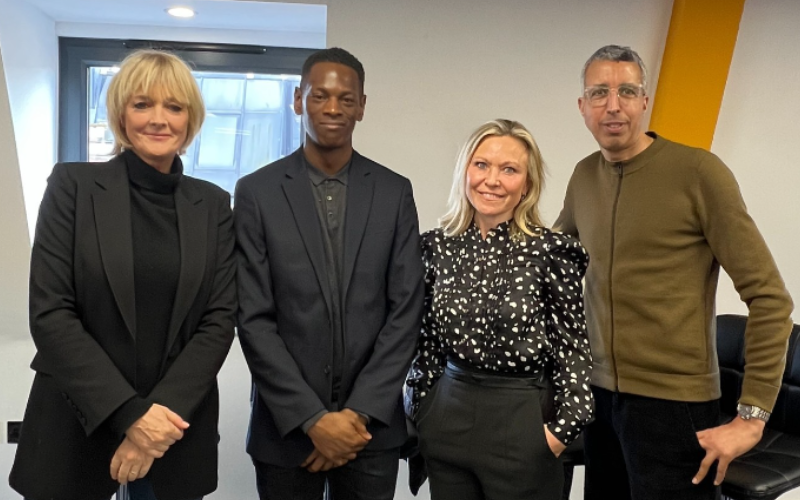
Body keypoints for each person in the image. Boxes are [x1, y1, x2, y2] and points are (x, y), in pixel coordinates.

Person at [554, 44, 794, 500]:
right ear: (582, 107)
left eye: (627, 91)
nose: (613, 105)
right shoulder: (584, 175)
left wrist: (752, 417)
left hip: (674, 405)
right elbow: (552, 264)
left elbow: (769, 298)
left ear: (645, 101)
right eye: (599, 92)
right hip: (601, 399)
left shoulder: (698, 172)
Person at [9, 49, 236, 500]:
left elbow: (219, 319)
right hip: (74, 422)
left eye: (174, 107)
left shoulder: (212, 204)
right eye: (142, 104)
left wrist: (156, 419)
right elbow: (52, 314)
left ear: (191, 119)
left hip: (173, 428)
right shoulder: (72, 187)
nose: (158, 119)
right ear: (120, 113)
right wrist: (132, 417)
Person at [235, 47, 424, 500]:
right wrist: (313, 420)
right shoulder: (256, 193)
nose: (333, 108)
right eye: (320, 96)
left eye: (346, 98)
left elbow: (406, 310)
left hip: (370, 430)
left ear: (362, 106)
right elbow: (253, 317)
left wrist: (355, 416)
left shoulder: (394, 192)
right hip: (286, 429)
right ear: (298, 100)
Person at [405, 119, 593, 500]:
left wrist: (561, 431)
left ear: (526, 184)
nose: (492, 180)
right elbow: (425, 342)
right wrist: (421, 407)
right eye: (482, 165)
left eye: (509, 169)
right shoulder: (435, 248)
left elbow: (574, 350)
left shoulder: (552, 252)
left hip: (521, 422)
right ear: (465, 171)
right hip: (447, 420)